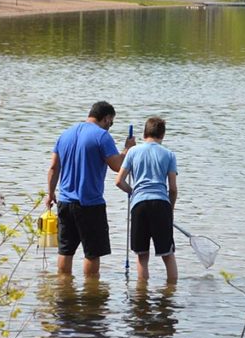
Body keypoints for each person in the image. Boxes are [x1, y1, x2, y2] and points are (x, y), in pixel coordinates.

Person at [46, 101, 135, 277]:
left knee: (65, 251)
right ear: (107, 118)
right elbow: (117, 166)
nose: (110, 125)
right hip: (90, 204)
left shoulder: (65, 135)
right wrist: (128, 149)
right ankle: (91, 293)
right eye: (112, 122)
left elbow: (53, 168)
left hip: (64, 202)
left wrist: (50, 194)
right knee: (92, 253)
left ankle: (65, 291)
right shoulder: (102, 136)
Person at [115, 116, 178, 283]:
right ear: (162, 135)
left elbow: (119, 181)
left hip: (139, 204)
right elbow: (172, 189)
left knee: (142, 255)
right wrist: (169, 210)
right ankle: (170, 294)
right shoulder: (169, 155)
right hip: (161, 204)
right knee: (168, 255)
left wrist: (133, 192)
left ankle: (141, 298)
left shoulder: (133, 152)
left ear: (144, 134)